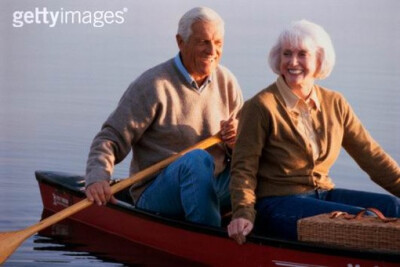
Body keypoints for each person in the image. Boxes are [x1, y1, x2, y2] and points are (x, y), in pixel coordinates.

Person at [228, 19, 400, 243]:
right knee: (366, 220)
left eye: (302, 54)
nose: (293, 62)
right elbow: (243, 168)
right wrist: (243, 212)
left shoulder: (335, 102)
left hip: (324, 193)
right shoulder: (260, 106)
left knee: (393, 207)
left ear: (320, 59)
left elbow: (371, 156)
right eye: (287, 54)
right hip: (277, 204)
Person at [85, 7, 243, 227]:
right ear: (180, 42)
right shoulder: (153, 85)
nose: (212, 51)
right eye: (203, 42)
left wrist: (236, 141)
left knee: (268, 157)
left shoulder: (227, 81)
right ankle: (209, 241)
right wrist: (98, 177)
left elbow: (242, 151)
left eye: (218, 43)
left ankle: (258, 227)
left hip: (214, 185)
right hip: (157, 192)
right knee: (196, 160)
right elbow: (109, 138)